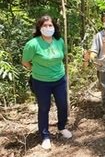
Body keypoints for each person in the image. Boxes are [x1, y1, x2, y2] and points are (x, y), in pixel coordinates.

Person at [22, 15, 72, 150]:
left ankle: (61, 127)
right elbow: (25, 62)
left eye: (50, 25)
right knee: (44, 108)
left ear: (54, 27)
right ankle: (45, 136)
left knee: (62, 105)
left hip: (60, 79)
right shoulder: (33, 44)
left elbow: (64, 56)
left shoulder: (59, 41)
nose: (48, 28)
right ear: (39, 28)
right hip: (41, 81)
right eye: (45, 25)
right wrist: (36, 70)